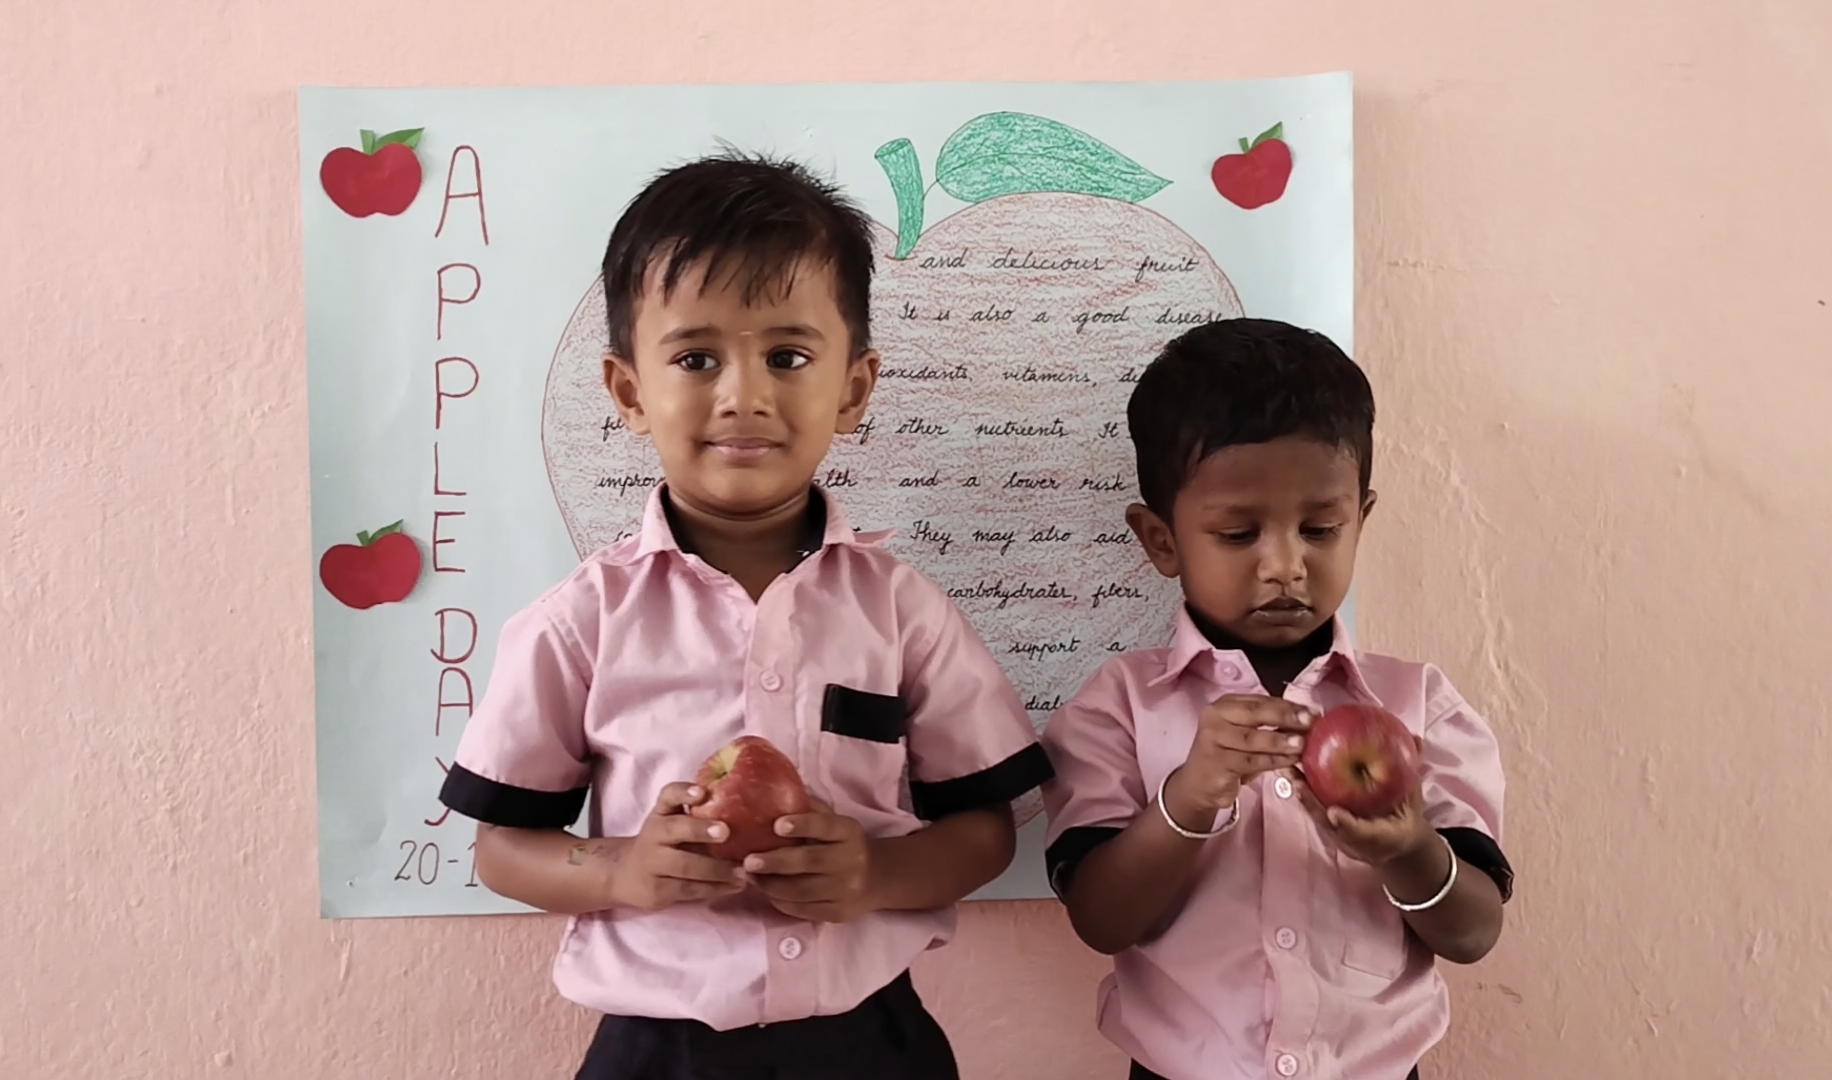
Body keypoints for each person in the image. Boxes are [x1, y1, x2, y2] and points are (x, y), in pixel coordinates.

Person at [439, 153, 1052, 1080]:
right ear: (629, 392)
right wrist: (620, 870)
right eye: (695, 358)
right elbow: (502, 847)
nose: (744, 395)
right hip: (660, 1051)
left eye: (788, 357)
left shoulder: (903, 612)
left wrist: (876, 874)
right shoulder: (582, 622)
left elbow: (985, 829)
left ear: (853, 389)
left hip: (871, 1042)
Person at [1040, 318, 1516, 1080]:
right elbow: (1100, 921)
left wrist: (1406, 850)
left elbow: (1473, 934)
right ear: (1161, 540)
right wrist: (1188, 801)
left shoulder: (1419, 705)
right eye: (1238, 534)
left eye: (1321, 529)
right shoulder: (1118, 707)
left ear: (1360, 520)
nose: (1286, 566)